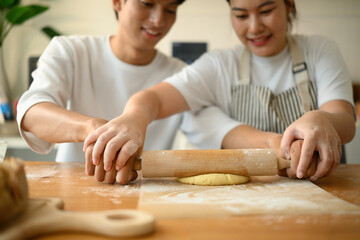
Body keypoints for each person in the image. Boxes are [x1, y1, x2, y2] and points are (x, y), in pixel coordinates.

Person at [84, 0, 356, 185]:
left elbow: (345, 121)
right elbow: (152, 99)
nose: (254, 27)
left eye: (266, 11)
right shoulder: (219, 65)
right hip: (254, 197)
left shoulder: (319, 51)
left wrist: (323, 119)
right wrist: (134, 118)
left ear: (289, 6)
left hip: (326, 187)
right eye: (240, 15)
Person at [17, 0, 242, 184]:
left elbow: (216, 128)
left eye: (170, 9)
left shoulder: (179, 75)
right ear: (117, 2)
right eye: (147, 4)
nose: (158, 20)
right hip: (75, 186)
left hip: (144, 192)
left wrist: (270, 144)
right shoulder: (71, 51)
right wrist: (95, 130)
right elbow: (32, 113)